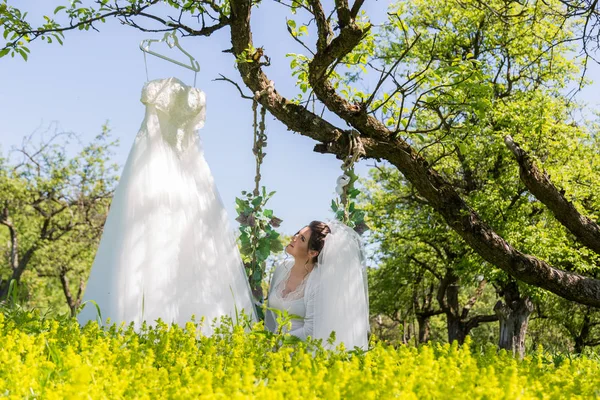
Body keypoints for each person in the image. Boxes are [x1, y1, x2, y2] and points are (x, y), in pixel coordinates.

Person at [265, 220, 369, 350]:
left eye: (301, 238)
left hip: (303, 352)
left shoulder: (318, 282)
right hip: (274, 351)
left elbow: (311, 330)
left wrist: (278, 342)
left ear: (313, 253)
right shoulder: (281, 269)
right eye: (298, 233)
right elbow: (270, 316)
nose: (294, 237)